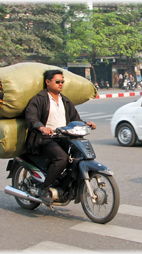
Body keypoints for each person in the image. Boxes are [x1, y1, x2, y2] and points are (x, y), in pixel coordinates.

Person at [25, 69, 96, 205]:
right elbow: (31, 117)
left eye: (62, 82)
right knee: (61, 158)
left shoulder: (65, 100)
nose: (60, 84)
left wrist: (86, 124)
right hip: (45, 139)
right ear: (48, 82)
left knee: (78, 156)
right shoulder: (39, 99)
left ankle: (65, 185)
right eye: (57, 81)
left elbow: (75, 118)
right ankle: (44, 189)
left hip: (64, 137)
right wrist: (42, 127)